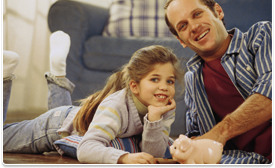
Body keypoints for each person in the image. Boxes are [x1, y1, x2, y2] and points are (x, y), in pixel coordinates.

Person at [3, 31, 185, 164]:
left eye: (170, 81)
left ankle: (58, 76)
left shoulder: (163, 107)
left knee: (63, 116)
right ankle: (5, 77)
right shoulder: (117, 106)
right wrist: (123, 157)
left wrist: (154, 119)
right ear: (134, 86)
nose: (164, 87)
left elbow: (152, 154)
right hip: (54, 126)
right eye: (155, 79)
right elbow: (86, 149)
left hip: (73, 117)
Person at [164, 0, 272, 163]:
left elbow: (271, 91)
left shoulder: (262, 35)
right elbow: (197, 140)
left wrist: (220, 132)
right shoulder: (192, 79)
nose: (193, 27)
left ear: (218, 11)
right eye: (183, 26)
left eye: (197, 14)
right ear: (181, 40)